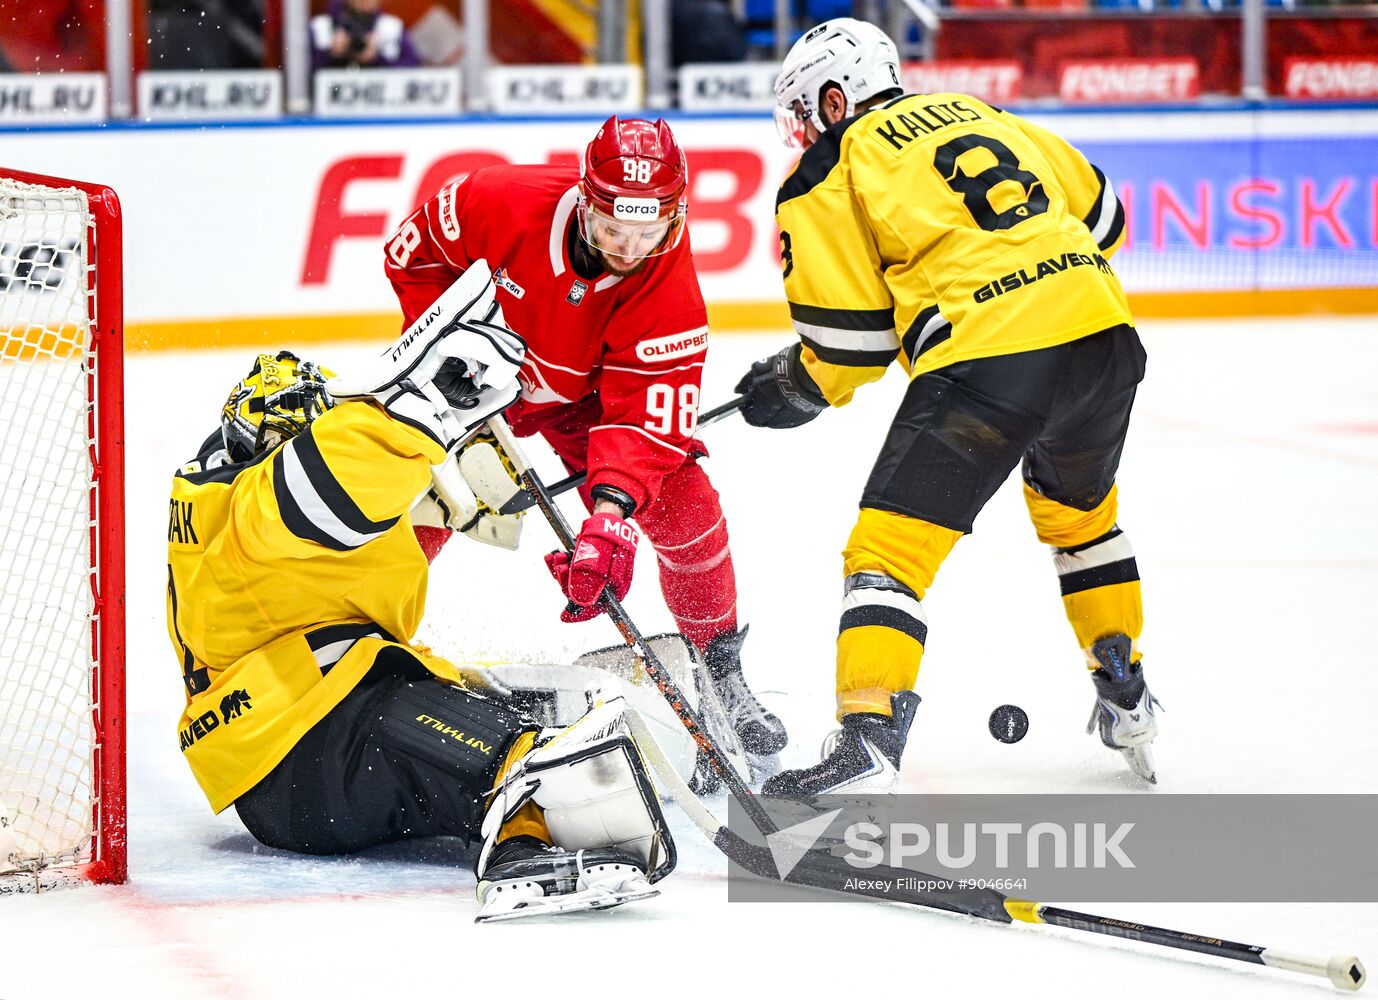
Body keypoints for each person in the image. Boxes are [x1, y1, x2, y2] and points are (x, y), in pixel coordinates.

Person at [166, 270, 675, 919]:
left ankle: (512, 799)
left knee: (480, 747)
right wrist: (425, 411)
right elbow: (323, 482)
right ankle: (521, 855)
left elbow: (348, 538)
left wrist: (446, 487)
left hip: (293, 761)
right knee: (535, 763)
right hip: (308, 746)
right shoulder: (259, 504)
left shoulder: (232, 511)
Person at [736, 18, 1158, 795]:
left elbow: (850, 343)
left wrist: (790, 384)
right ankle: (1127, 692)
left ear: (834, 100)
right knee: (1082, 519)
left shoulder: (834, 166)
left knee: (887, 560)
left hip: (991, 366)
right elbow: (1108, 221)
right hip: (1105, 341)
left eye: (804, 112)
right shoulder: (987, 114)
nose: (803, 131)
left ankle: (865, 742)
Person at [383, 115, 788, 772]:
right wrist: (447, 345)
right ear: (584, 201)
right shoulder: (496, 200)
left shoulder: (668, 289)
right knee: (419, 496)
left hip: (584, 397)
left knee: (686, 502)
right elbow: (414, 257)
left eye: (647, 233)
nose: (628, 249)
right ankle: (358, 643)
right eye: (611, 230)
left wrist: (608, 519)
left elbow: (644, 421)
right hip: (468, 374)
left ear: (677, 215)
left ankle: (719, 671)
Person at [310, 0, 421, 71]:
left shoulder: (392, 28)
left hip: (378, 103)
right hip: (324, 105)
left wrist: (377, 59)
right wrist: (330, 54)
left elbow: (413, 68)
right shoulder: (321, 26)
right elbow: (298, 74)